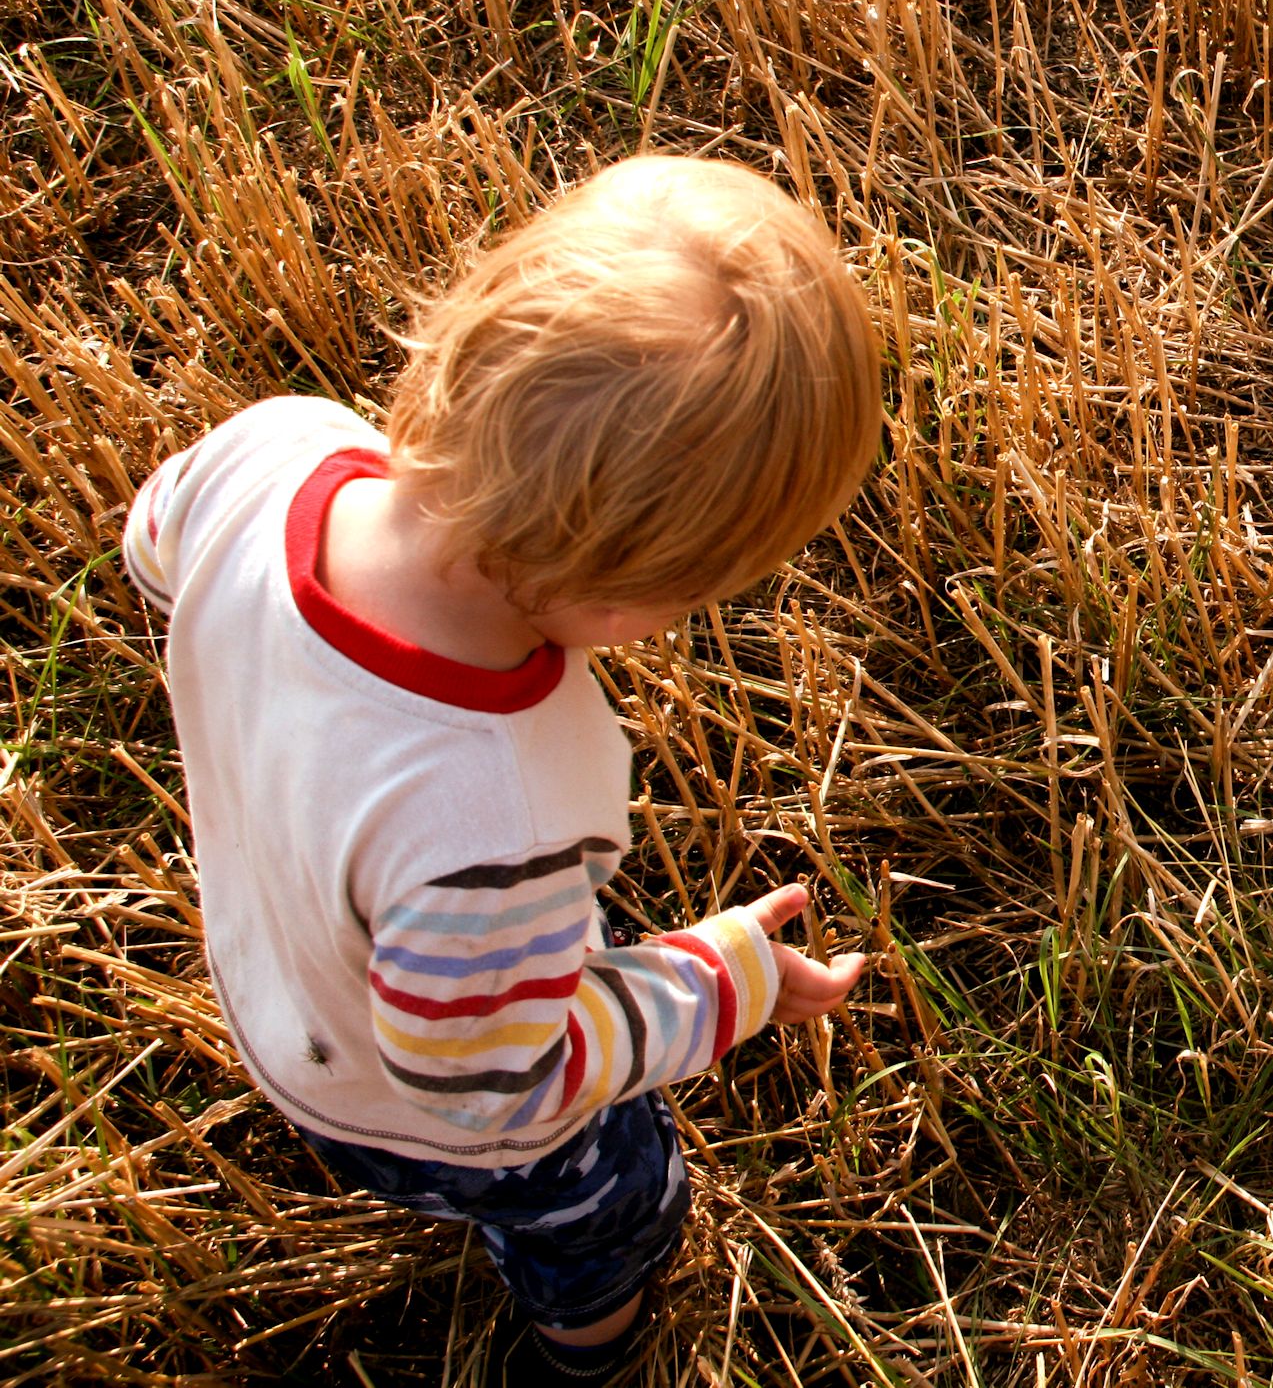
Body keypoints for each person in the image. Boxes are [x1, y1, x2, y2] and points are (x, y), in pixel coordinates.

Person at [120, 156, 883, 1383]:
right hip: (407, 1108)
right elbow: (497, 1085)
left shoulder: (276, 451)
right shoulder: (497, 810)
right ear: (638, 593)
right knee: (610, 1212)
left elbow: (154, 546)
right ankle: (588, 1356)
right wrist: (722, 982)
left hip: (276, 974)